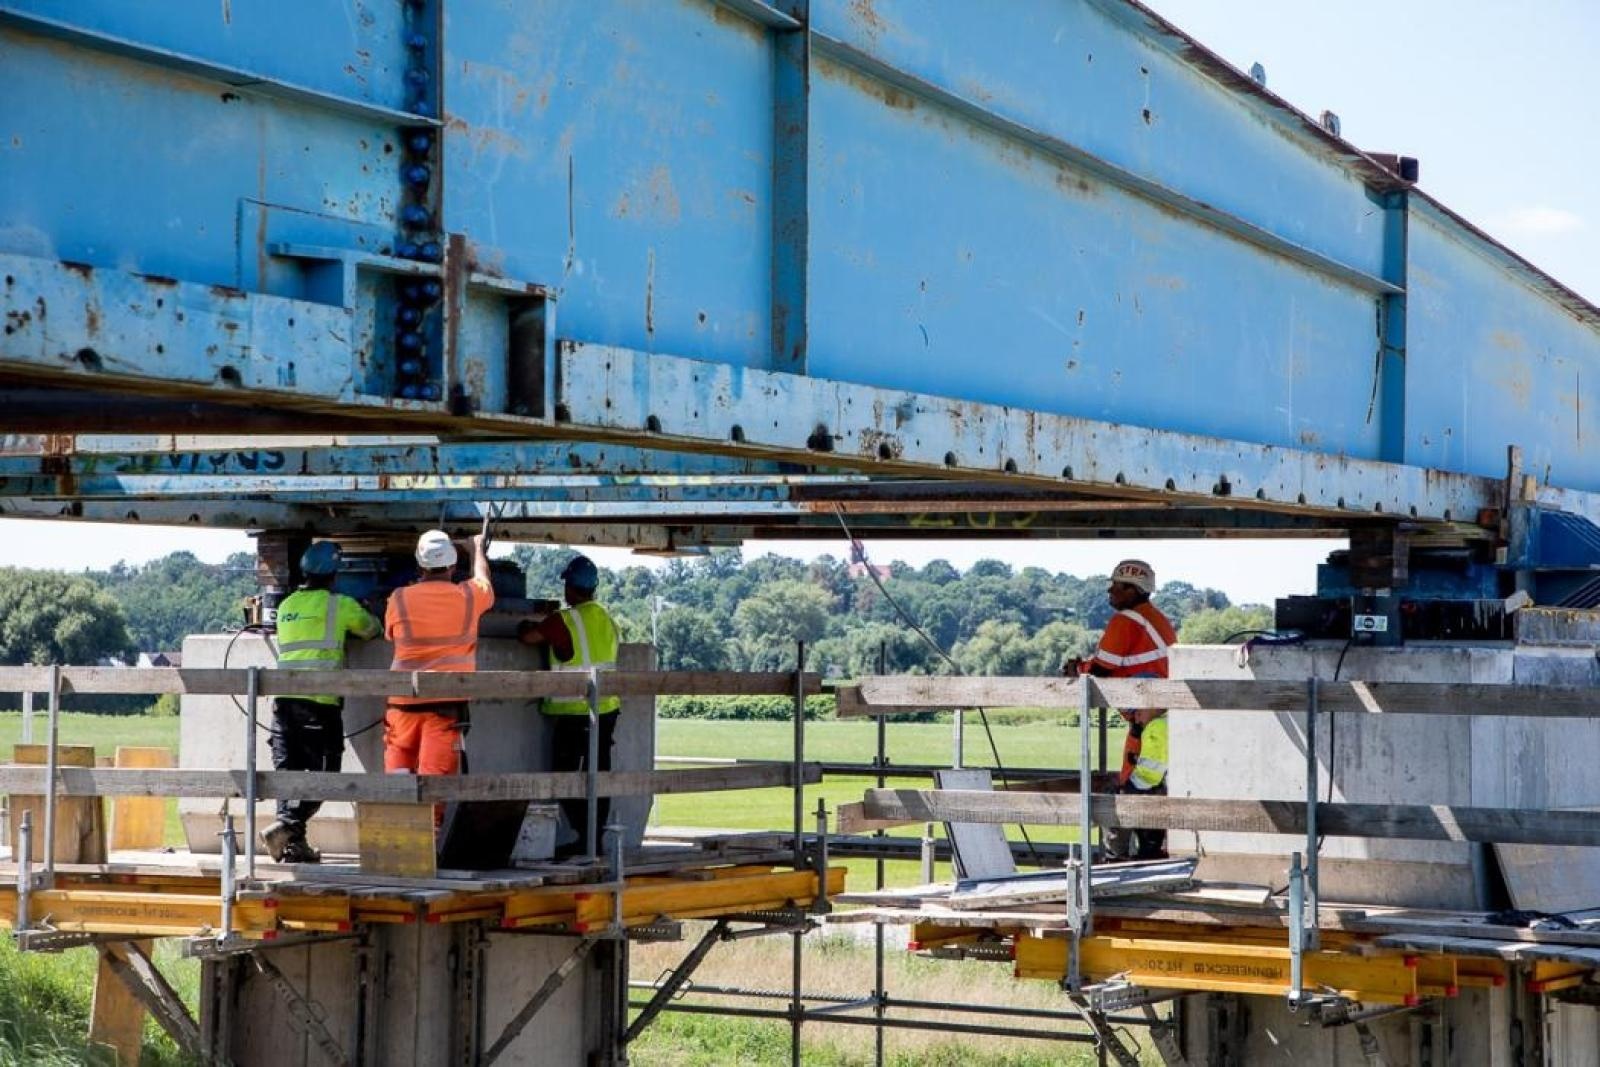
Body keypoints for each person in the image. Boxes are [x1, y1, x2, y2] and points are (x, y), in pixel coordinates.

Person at [261, 540, 381, 864]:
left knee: (288, 774)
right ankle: (287, 826)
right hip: (320, 702)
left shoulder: (285, 605)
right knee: (326, 775)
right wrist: (368, 609)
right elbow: (372, 630)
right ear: (334, 574)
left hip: (283, 703)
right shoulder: (339, 605)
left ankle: (292, 845)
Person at [1062, 558, 1176, 861]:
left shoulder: (1127, 619)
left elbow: (1102, 668)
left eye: (1117, 586)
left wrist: (1078, 668)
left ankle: (1116, 862)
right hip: (1162, 719)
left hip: (1147, 720)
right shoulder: (1156, 619)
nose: (1110, 591)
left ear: (1133, 589)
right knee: (1149, 787)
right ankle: (1149, 857)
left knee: (1131, 790)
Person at [517, 554, 620, 860]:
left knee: (562, 778)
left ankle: (584, 837)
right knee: (599, 776)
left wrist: (528, 621)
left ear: (570, 588)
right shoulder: (607, 618)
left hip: (575, 713)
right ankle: (594, 840)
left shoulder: (564, 620)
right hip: (607, 709)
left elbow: (527, 637)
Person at [383, 531, 494, 815]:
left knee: (397, 781)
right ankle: (428, 847)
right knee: (435, 784)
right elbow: (484, 582)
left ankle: (399, 845)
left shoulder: (399, 598)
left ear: (419, 566)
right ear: (453, 565)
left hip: (402, 704)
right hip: (445, 707)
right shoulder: (468, 597)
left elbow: (389, 636)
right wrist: (478, 548)